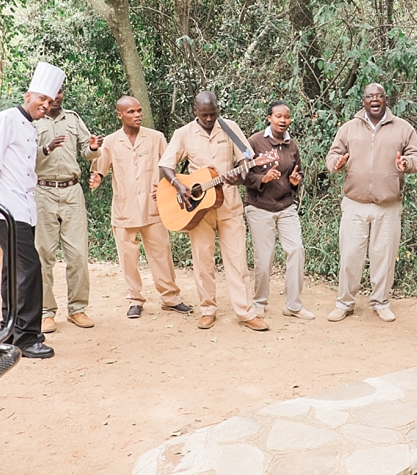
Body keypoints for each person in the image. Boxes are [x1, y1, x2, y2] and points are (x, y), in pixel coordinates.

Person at [159, 91, 269, 332]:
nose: (209, 119)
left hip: (228, 204)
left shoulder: (230, 128)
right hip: (197, 209)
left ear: (218, 109)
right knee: (202, 261)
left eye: (213, 114)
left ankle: (245, 312)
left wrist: (239, 175)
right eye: (204, 115)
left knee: (238, 260)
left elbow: (245, 161)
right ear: (195, 112)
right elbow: (166, 165)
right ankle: (208, 310)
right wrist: (180, 186)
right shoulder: (183, 133)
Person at [325, 83, 417, 323]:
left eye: (379, 96)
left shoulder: (403, 128)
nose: (375, 100)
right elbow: (331, 156)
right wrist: (336, 163)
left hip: (387, 205)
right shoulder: (349, 128)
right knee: (350, 255)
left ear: (386, 99)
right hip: (355, 203)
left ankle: (381, 302)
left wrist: (406, 164)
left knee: (384, 256)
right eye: (370, 96)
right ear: (363, 101)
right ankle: (345, 303)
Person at [89, 96, 193, 319]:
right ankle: (135, 299)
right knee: (128, 258)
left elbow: (168, 167)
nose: (137, 115)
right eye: (131, 112)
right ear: (120, 115)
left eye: (139, 110)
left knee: (161, 253)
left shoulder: (156, 138)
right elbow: (99, 169)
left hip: (153, 206)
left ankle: (170, 298)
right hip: (124, 209)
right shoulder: (110, 141)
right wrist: (96, 178)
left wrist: (166, 186)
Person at [0, 62, 64, 359]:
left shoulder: (30, 128)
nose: (45, 105)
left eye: (50, 101)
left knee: (13, 270)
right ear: (27, 96)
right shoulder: (6, 119)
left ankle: (8, 331)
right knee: (29, 268)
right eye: (41, 99)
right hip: (8, 208)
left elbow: (22, 165)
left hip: (24, 208)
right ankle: (27, 336)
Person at [34, 86, 103, 333]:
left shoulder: (72, 118)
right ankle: (45, 312)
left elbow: (87, 152)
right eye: (51, 93)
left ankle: (77, 309)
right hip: (43, 191)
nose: (56, 97)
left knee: (78, 254)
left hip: (72, 191)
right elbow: (24, 156)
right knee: (43, 254)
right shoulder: (33, 121)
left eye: (60, 92)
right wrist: (47, 148)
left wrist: (93, 147)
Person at [244, 101, 314, 320]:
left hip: (286, 206)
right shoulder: (254, 141)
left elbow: (297, 172)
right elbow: (242, 175)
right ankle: (259, 302)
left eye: (287, 117)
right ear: (269, 118)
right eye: (279, 116)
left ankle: (293, 305)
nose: (284, 120)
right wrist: (262, 179)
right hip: (259, 207)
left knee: (296, 250)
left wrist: (295, 181)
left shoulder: (292, 144)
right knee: (264, 257)